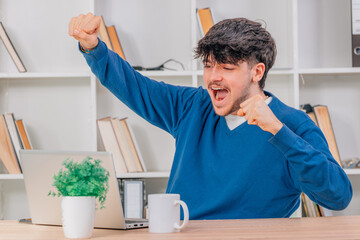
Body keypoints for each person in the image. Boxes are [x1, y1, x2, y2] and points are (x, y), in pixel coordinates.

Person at [69, 13, 352, 220]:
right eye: (208, 65)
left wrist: (279, 132)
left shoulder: (293, 126)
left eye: (227, 68)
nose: (213, 77)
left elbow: (338, 196)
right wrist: (93, 48)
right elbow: (134, 87)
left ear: (257, 72)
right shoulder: (191, 105)